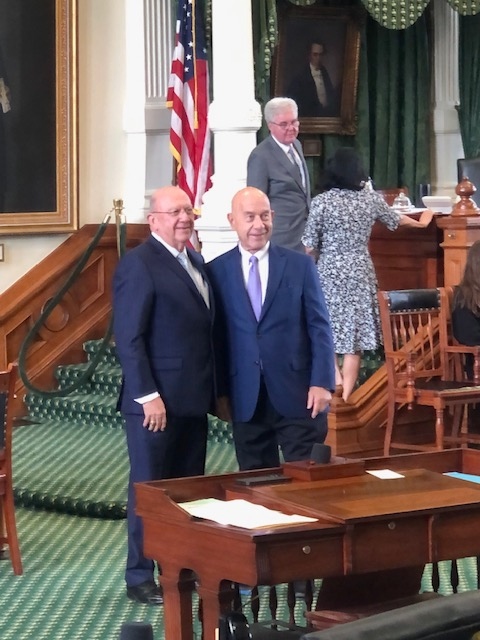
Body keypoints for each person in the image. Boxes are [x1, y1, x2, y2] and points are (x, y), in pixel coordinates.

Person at [112, 186, 215, 605]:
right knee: (150, 490)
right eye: (173, 212)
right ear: (153, 220)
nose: (183, 218)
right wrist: (147, 395)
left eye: (187, 210)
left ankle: (182, 565)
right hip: (155, 406)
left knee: (188, 490)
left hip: (192, 401)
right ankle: (140, 575)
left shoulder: (195, 260)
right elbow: (129, 338)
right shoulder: (139, 264)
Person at [206, 186, 335, 471]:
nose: (258, 225)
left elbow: (320, 327)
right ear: (232, 220)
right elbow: (217, 340)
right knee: (256, 486)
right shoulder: (216, 271)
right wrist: (220, 394)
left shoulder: (300, 265)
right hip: (245, 397)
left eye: (264, 216)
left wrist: (322, 382)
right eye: (249, 216)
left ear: (273, 217)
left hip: (300, 394)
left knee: (308, 482)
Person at [302, 147, 434, 403]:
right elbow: (396, 220)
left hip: (329, 270)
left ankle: (336, 387)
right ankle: (348, 399)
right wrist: (422, 222)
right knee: (354, 338)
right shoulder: (369, 199)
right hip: (360, 269)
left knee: (326, 329)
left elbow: (308, 245)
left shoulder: (322, 202)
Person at [246, 97, 310, 253]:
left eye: (294, 122)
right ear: (270, 126)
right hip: (281, 238)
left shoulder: (297, 145)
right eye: (284, 124)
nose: (291, 128)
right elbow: (255, 203)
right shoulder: (260, 156)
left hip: (304, 235)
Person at [286, 42, 339, 118]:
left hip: (325, 117)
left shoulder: (324, 73)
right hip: (309, 117)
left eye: (320, 55)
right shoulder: (301, 76)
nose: (318, 58)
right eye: (315, 55)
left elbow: (330, 97)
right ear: (309, 55)